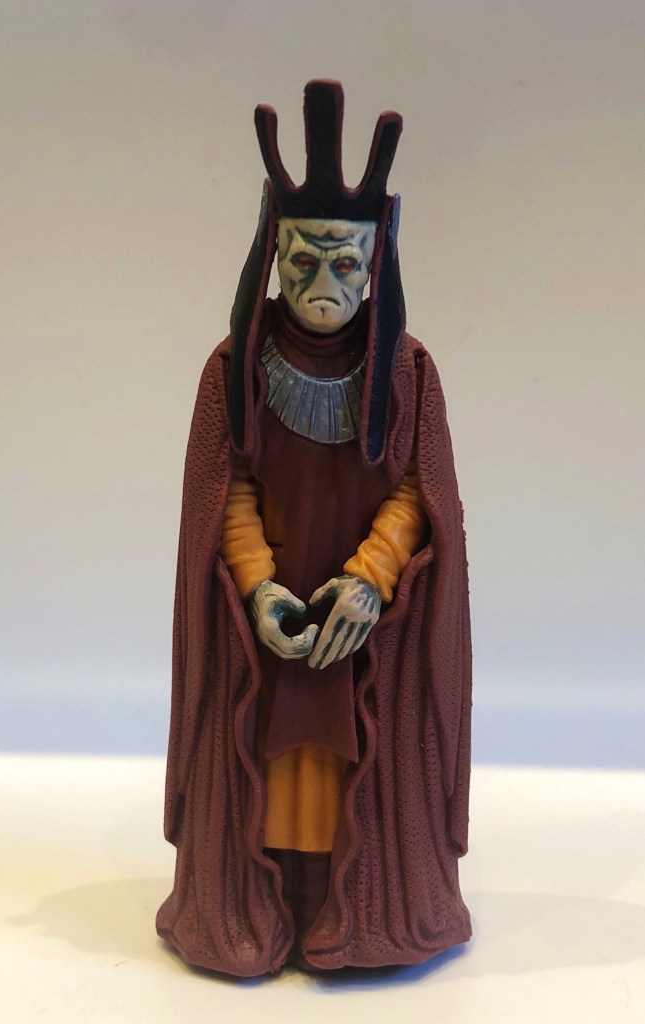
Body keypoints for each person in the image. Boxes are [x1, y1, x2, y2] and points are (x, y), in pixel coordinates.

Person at [156, 80, 472, 977]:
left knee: (356, 756)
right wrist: (257, 588)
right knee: (269, 748)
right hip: (268, 621)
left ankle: (357, 911)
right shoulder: (234, 368)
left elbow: (417, 493)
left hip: (370, 624)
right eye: (303, 261)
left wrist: (371, 580)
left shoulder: (409, 372)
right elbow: (227, 491)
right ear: (272, 256)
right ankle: (261, 907)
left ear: (375, 261)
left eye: (344, 261)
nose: (324, 285)